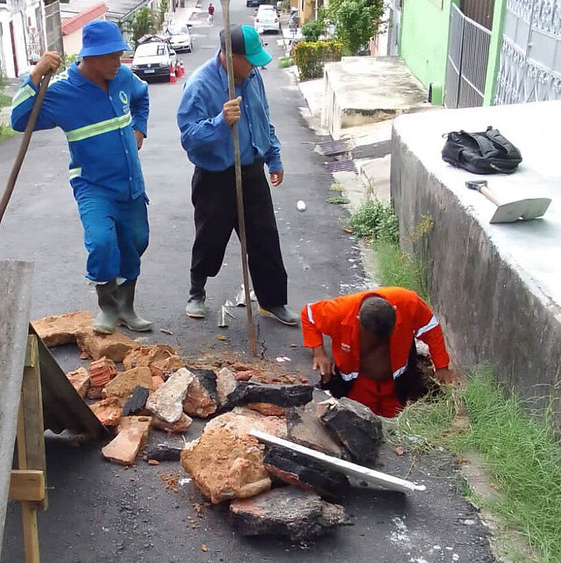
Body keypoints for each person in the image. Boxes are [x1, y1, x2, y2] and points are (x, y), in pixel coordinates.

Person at [10, 20, 152, 335]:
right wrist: (35, 74)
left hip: (130, 183)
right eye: (111, 55)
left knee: (136, 241)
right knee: (102, 242)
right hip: (93, 186)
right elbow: (19, 119)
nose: (119, 61)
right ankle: (108, 307)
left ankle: (127, 306)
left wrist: (139, 128)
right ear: (90, 57)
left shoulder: (123, 78)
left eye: (120, 54)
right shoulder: (63, 92)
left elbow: (142, 97)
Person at [176, 25, 298, 326]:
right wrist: (220, 122)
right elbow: (189, 137)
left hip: (252, 171)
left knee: (264, 237)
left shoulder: (253, 78)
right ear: (230, 57)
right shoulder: (200, 84)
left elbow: (263, 118)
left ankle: (273, 301)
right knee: (210, 237)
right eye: (250, 59)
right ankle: (197, 291)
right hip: (215, 176)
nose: (256, 65)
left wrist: (274, 156)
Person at [300, 287, 457, 417]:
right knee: (359, 421)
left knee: (394, 426)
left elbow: (431, 329)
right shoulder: (339, 312)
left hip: (396, 385)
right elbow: (308, 314)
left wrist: (442, 366)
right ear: (358, 318)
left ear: (395, 311)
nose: (379, 342)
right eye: (373, 338)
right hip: (358, 386)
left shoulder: (408, 303)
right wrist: (319, 353)